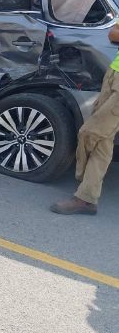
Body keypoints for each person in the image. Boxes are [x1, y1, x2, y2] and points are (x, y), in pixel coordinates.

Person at [51, 20, 119, 215]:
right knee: (103, 141)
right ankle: (87, 197)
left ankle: (82, 181)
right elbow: (113, 34)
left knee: (89, 132)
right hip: (114, 73)